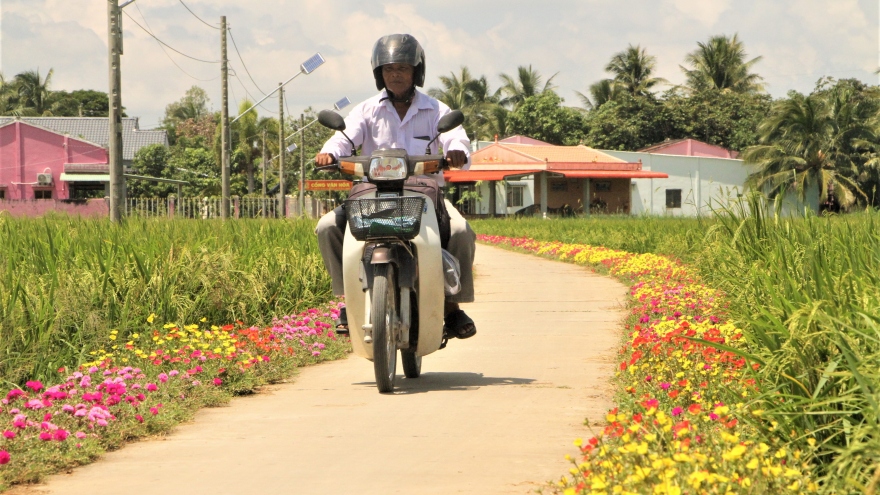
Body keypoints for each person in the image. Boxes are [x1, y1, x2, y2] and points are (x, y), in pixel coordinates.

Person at [315, 33, 477, 340]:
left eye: (403, 68)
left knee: (460, 232)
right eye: (389, 69)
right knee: (326, 227)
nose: (396, 74)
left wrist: (456, 152)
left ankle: (452, 307)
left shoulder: (435, 110)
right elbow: (343, 137)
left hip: (425, 196)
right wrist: (330, 153)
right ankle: (348, 299)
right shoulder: (366, 110)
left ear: (416, 71)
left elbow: (456, 137)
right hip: (373, 195)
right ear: (380, 74)